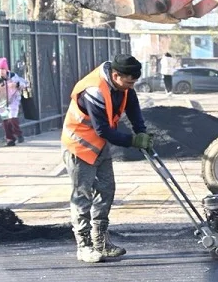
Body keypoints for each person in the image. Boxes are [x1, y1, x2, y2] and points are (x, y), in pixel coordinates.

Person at [61, 53, 152, 263]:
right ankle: (84, 246)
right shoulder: (94, 90)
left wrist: (142, 132)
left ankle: (101, 242)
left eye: (134, 82)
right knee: (82, 195)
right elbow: (102, 129)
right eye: (128, 81)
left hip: (99, 145)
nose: (131, 86)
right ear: (116, 75)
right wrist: (132, 141)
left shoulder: (124, 86)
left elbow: (133, 106)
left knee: (107, 189)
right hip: (79, 146)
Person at [0, 57, 29, 146]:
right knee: (5, 121)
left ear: (7, 69)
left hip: (14, 100)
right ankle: (10, 139)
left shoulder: (13, 76)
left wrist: (16, 85)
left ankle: (18, 133)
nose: (1, 71)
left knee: (12, 118)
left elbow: (25, 83)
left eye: (3, 68)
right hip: (1, 103)